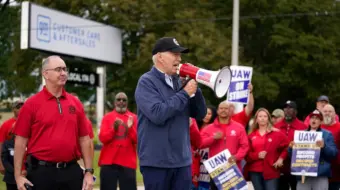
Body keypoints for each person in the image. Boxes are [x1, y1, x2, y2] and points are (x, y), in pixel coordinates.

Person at [134, 37, 207, 190]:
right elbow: (157, 114)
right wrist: (185, 93)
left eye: (179, 55)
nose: (179, 59)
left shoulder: (179, 81)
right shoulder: (146, 82)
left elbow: (200, 113)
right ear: (160, 57)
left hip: (182, 162)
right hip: (156, 163)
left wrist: (195, 88)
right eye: (174, 54)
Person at [13, 55, 94, 190]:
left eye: (64, 69)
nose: (63, 73)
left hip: (71, 172)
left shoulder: (76, 103)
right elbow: (20, 142)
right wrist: (18, 176)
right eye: (58, 69)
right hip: (41, 173)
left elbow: (85, 139)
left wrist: (89, 172)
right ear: (45, 74)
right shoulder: (31, 104)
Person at [200, 101, 249, 190]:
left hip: (233, 169)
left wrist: (237, 157)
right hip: (216, 170)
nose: (223, 110)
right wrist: (213, 138)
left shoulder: (239, 127)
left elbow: (245, 146)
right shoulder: (209, 128)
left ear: (230, 111)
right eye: (221, 108)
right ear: (218, 111)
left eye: (226, 108)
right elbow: (200, 144)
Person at [98, 92, 138, 190]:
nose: (121, 102)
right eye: (118, 99)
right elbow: (103, 139)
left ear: (127, 103)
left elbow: (137, 139)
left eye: (124, 100)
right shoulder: (107, 117)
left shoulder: (134, 118)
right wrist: (113, 129)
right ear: (114, 102)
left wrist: (130, 127)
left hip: (128, 162)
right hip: (108, 162)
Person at [290, 109, 337, 190]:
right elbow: (292, 156)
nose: (314, 120)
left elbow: (333, 153)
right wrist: (291, 148)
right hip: (303, 174)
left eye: (317, 118)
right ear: (309, 120)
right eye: (312, 118)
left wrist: (324, 146)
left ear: (321, 122)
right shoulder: (301, 134)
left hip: (320, 174)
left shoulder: (327, 134)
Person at [243, 108, 289, 190]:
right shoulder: (251, 136)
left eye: (265, 116)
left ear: (268, 119)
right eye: (260, 116)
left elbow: (287, 146)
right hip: (255, 171)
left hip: (271, 171)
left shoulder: (276, 133)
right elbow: (246, 155)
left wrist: (281, 158)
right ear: (256, 119)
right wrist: (257, 155)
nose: (263, 118)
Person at [275, 100, 307, 190]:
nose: (287, 110)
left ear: (296, 111)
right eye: (285, 108)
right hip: (280, 168)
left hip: (297, 168)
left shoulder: (303, 127)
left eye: (290, 108)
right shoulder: (276, 126)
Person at [0, 100, 24, 174]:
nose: (21, 109)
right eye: (18, 107)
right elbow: (1, 144)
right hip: (11, 162)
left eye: (23, 107)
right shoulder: (6, 125)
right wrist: (1, 164)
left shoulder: (30, 123)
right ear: (13, 109)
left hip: (26, 163)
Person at [320, 104, 340, 190]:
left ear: (335, 114)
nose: (327, 113)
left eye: (330, 111)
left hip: (336, 170)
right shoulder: (317, 127)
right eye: (325, 111)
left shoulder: (339, 127)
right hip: (320, 170)